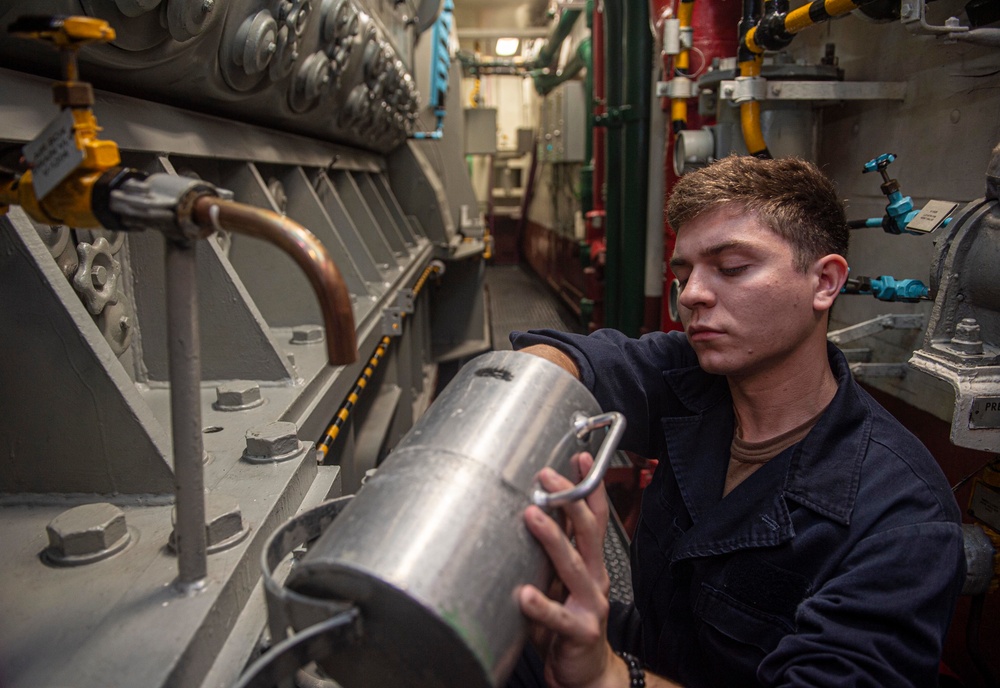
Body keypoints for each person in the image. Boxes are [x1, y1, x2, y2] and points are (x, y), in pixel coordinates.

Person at [508, 155, 965, 687]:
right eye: (684, 274)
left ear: (825, 282)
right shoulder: (693, 375)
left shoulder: (902, 516)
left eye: (731, 269)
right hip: (656, 649)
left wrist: (609, 678)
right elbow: (575, 359)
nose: (692, 296)